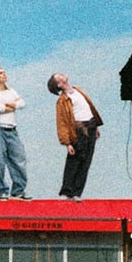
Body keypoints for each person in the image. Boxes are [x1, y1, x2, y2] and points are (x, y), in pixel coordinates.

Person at [47, 73, 103, 201]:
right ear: (59, 84)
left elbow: (88, 107)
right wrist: (67, 143)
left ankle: (77, 193)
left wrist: (96, 126)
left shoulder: (78, 90)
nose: (61, 75)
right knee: (74, 161)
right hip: (78, 130)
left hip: (91, 126)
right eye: (58, 77)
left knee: (86, 161)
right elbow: (61, 122)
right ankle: (66, 192)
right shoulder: (62, 101)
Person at [0, 67, 31, 201]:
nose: (4, 75)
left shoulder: (11, 91)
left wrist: (8, 104)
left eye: (4, 72)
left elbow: (23, 103)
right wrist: (13, 105)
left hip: (12, 130)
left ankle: (18, 191)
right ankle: (2, 191)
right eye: (0, 73)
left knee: (19, 159)